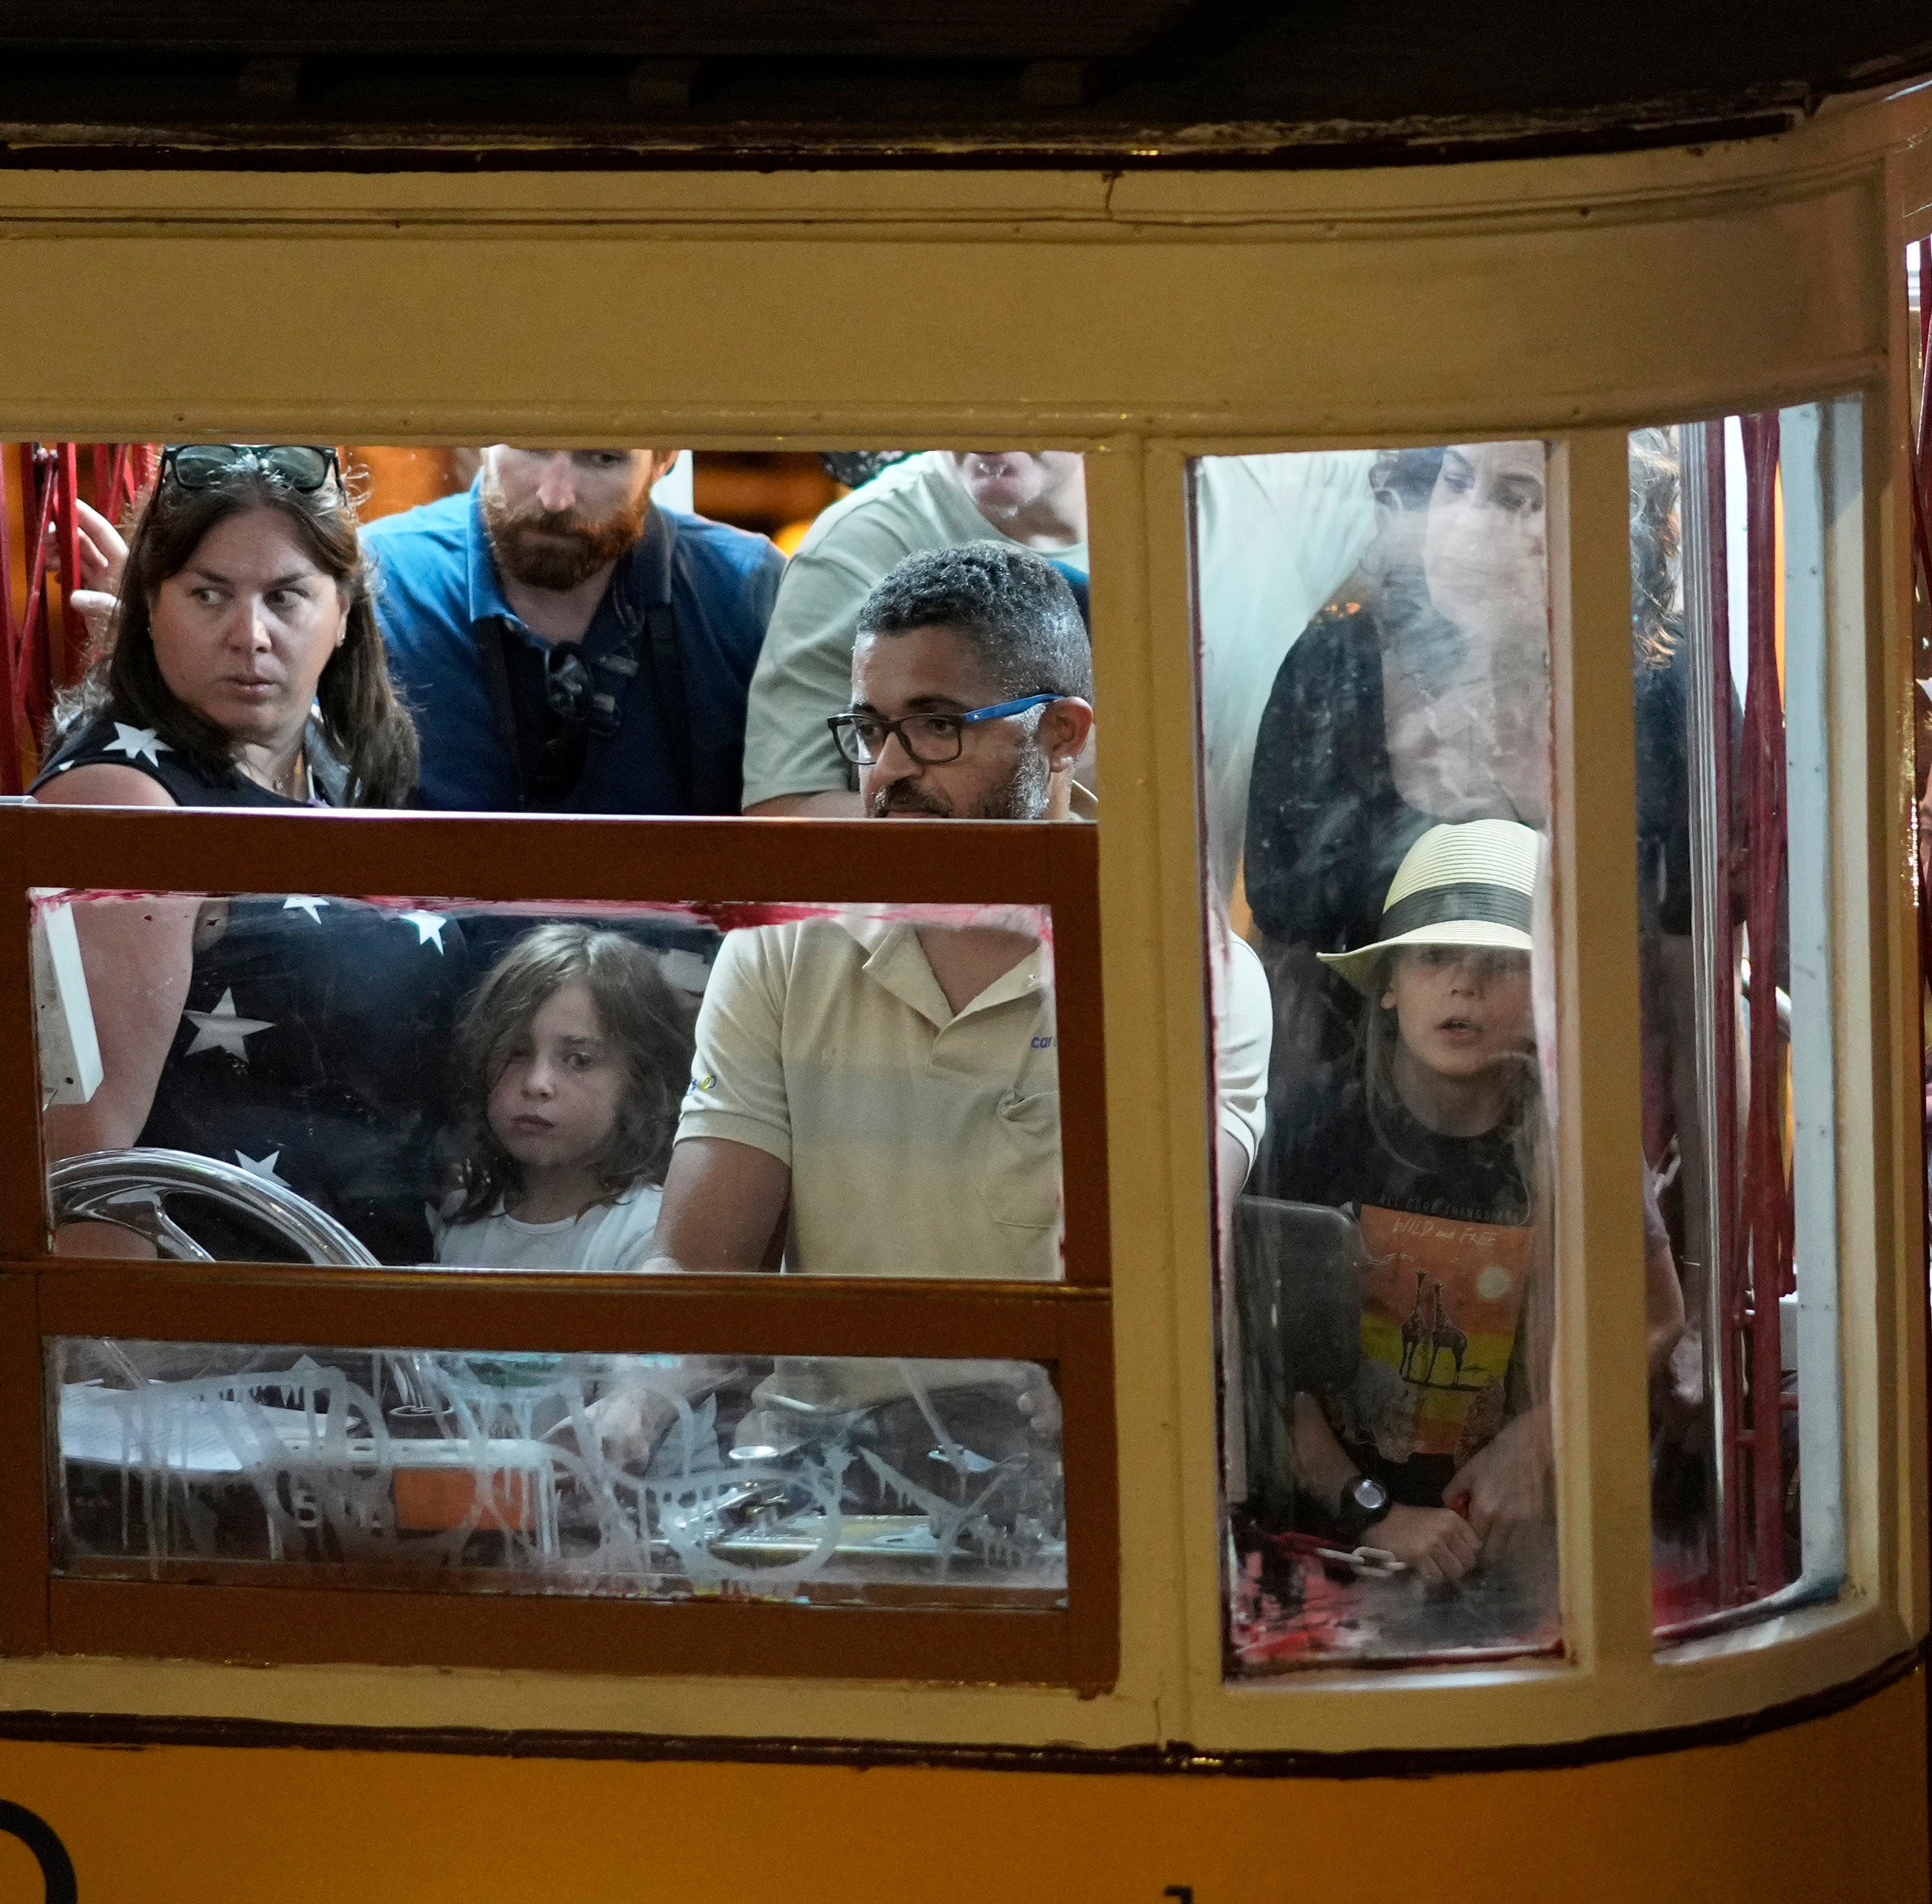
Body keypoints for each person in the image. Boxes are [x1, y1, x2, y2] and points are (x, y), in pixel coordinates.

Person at [659, 541, 1267, 1280]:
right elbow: (693, 1278)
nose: (886, 768)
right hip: (831, 1371)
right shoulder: (781, 940)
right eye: (870, 729)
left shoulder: (1189, 972)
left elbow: (1158, 1283)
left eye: (937, 726)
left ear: (1062, 735)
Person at [30, 445, 450, 1259]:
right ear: (148, 606)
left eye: (286, 596)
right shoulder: (124, 801)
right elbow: (83, 1175)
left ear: (343, 609)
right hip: (216, 1326)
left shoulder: (330, 765)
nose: (249, 636)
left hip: (366, 1307)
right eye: (209, 594)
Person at [1245, 823, 1561, 1600]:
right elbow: (1257, 1349)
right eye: (1433, 956)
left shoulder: (1570, 1137)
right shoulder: (1310, 1129)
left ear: (1544, 991)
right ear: (1388, 981)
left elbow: (1654, 1317)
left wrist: (1539, 1437)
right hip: (1324, 1551)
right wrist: (1371, 1512)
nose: (1463, 986)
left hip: (1512, 1545)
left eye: (1500, 963)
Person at [359, 444, 779, 815]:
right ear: (482, 436)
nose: (555, 498)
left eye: (604, 459)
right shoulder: (381, 581)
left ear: (664, 458)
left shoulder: (746, 590)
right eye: (529, 446)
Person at [740, 450, 1086, 815]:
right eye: (868, 730)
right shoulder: (861, 542)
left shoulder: (1133, 515)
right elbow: (785, 812)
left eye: (939, 725)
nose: (984, 432)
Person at [432, 924, 697, 1272]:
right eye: (516, 1053)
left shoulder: (650, 1236)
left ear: (640, 1081)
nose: (536, 1084)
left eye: (579, 1060)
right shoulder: (462, 1212)